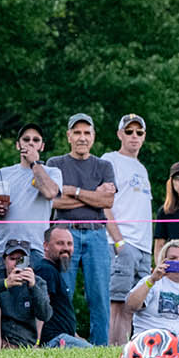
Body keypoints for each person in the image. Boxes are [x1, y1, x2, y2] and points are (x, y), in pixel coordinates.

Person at [45, 113, 117, 345]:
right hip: (64, 232)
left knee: (99, 296)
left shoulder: (104, 165)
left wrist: (73, 191)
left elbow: (107, 203)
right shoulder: (55, 164)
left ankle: (100, 347)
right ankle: (61, 341)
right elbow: (53, 201)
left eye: (87, 133)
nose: (82, 138)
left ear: (94, 137)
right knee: (61, 292)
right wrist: (93, 196)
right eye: (77, 132)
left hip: (96, 233)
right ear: (68, 136)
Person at [0, 122, 61, 273]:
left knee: (31, 296)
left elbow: (50, 193)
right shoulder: (2, 173)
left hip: (34, 250)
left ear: (42, 146)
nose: (31, 143)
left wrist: (35, 163)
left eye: (36, 140)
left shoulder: (52, 172)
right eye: (26, 139)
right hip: (2, 249)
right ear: (18, 145)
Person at [104, 114, 153, 346]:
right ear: (119, 134)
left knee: (135, 305)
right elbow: (103, 203)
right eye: (129, 131)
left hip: (143, 247)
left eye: (139, 132)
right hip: (123, 242)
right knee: (117, 301)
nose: (134, 136)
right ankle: (111, 350)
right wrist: (118, 241)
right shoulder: (110, 160)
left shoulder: (141, 168)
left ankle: (126, 348)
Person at [0, 238, 52, 349]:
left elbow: (45, 315)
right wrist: (5, 284)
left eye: (21, 260)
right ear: (4, 260)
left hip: (20, 344)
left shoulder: (37, 282)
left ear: (28, 262)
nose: (16, 264)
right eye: (12, 259)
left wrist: (33, 287)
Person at [126, 238, 179, 341]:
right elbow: (131, 306)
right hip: (156, 337)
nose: (178, 262)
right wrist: (152, 280)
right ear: (164, 260)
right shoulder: (152, 281)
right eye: (173, 258)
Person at [36, 225, 89, 348]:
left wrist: (77, 337)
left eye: (69, 244)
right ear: (46, 246)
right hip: (54, 340)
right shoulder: (45, 270)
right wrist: (36, 342)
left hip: (63, 337)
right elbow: (40, 306)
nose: (66, 248)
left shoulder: (54, 271)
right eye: (60, 243)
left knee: (94, 350)